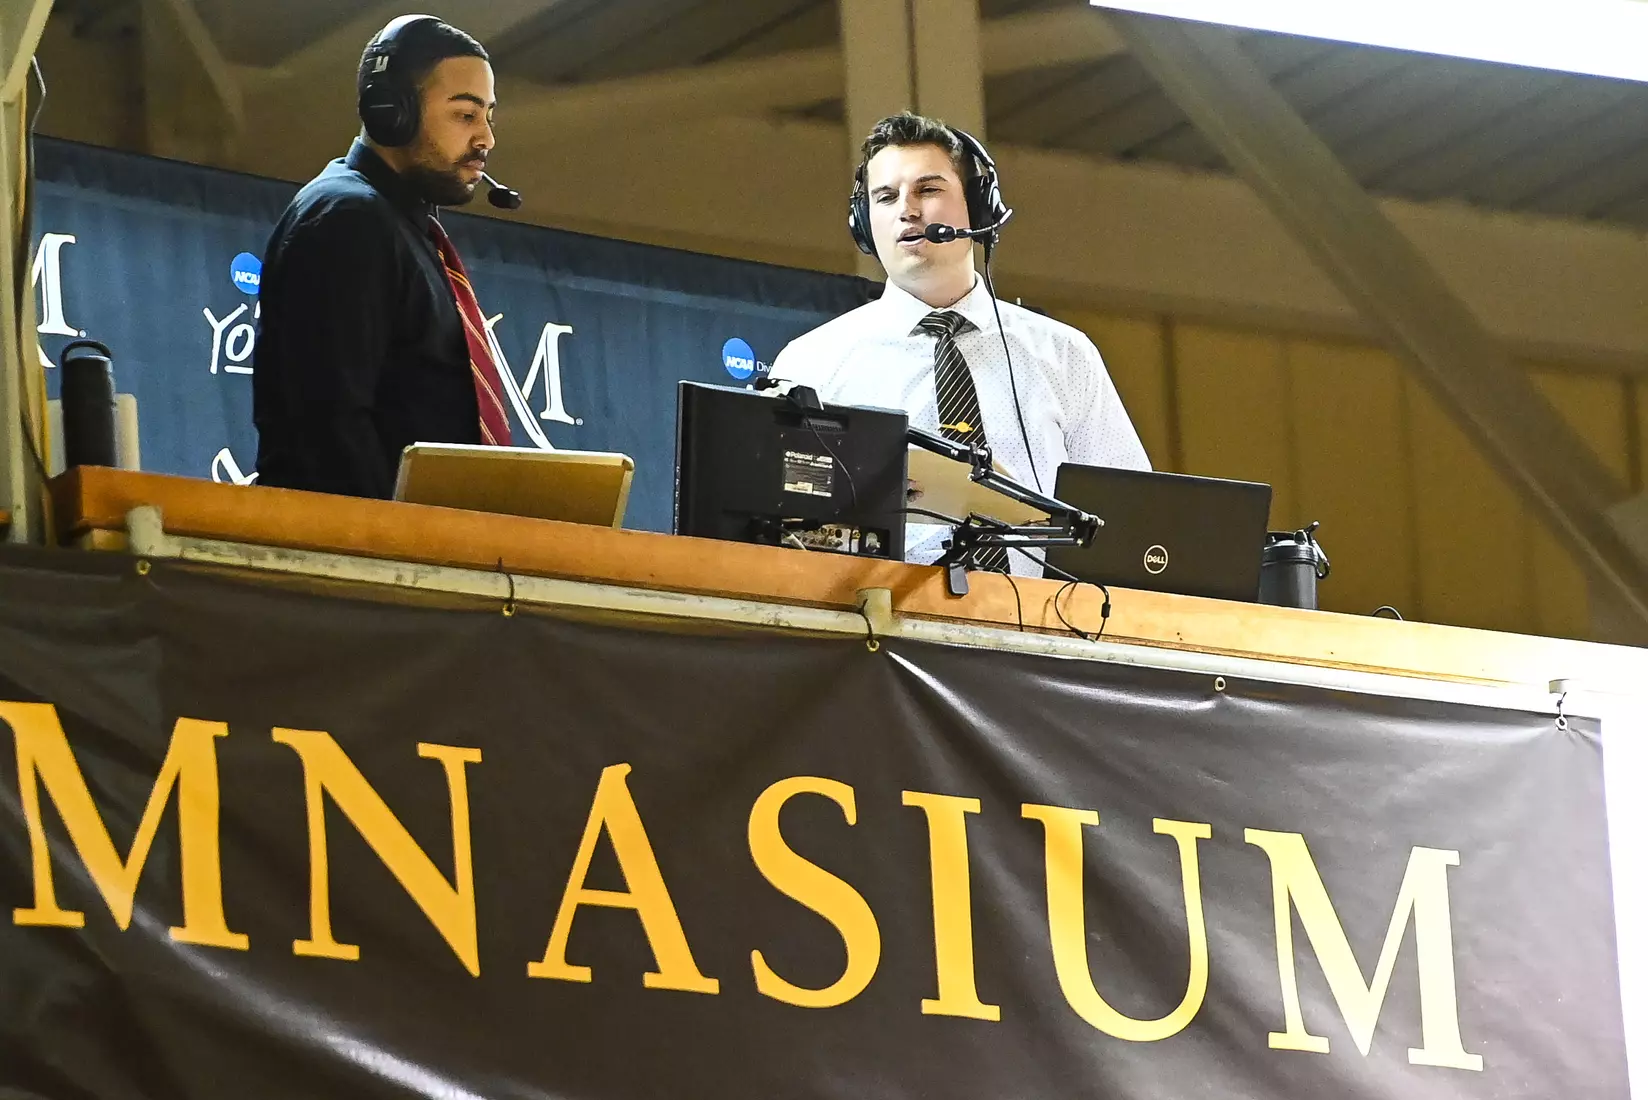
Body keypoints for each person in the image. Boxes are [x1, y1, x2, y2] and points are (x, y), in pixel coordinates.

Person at [770, 112, 1150, 576]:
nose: (907, 209)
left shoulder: (1065, 354)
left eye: (928, 190)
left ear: (978, 207)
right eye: (886, 197)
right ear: (864, 224)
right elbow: (780, 530)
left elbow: (1133, 519)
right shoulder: (812, 363)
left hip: (1046, 630)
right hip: (879, 625)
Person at [252, 15, 512, 499]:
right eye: (465, 114)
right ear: (391, 111)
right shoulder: (347, 219)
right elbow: (327, 431)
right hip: (360, 556)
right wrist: (401, 551)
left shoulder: (401, 226)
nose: (486, 140)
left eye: (489, 117)